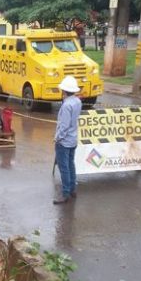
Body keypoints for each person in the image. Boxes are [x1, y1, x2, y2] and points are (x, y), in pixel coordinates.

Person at [53, 76, 82, 204]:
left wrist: (57, 138)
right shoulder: (77, 101)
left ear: (64, 91)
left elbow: (64, 126)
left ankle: (65, 193)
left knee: (64, 167)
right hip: (73, 139)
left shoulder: (66, 105)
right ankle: (72, 190)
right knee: (71, 164)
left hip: (64, 141)